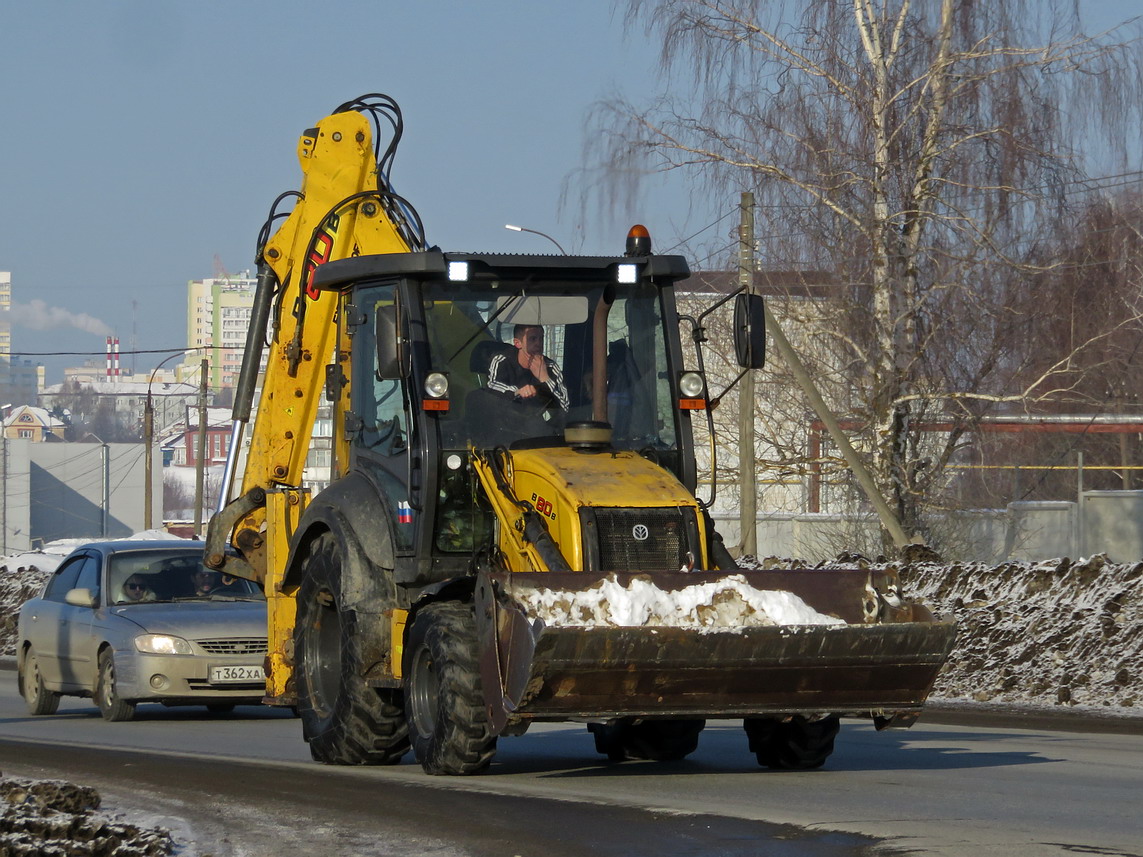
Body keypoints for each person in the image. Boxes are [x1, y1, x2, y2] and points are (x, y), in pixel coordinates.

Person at [486, 324, 570, 413]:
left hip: (537, 424)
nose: (539, 343)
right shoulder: (502, 361)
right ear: (518, 343)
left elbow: (565, 408)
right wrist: (517, 392)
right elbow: (492, 389)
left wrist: (545, 379)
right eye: (532, 339)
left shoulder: (551, 367)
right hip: (505, 421)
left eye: (541, 338)